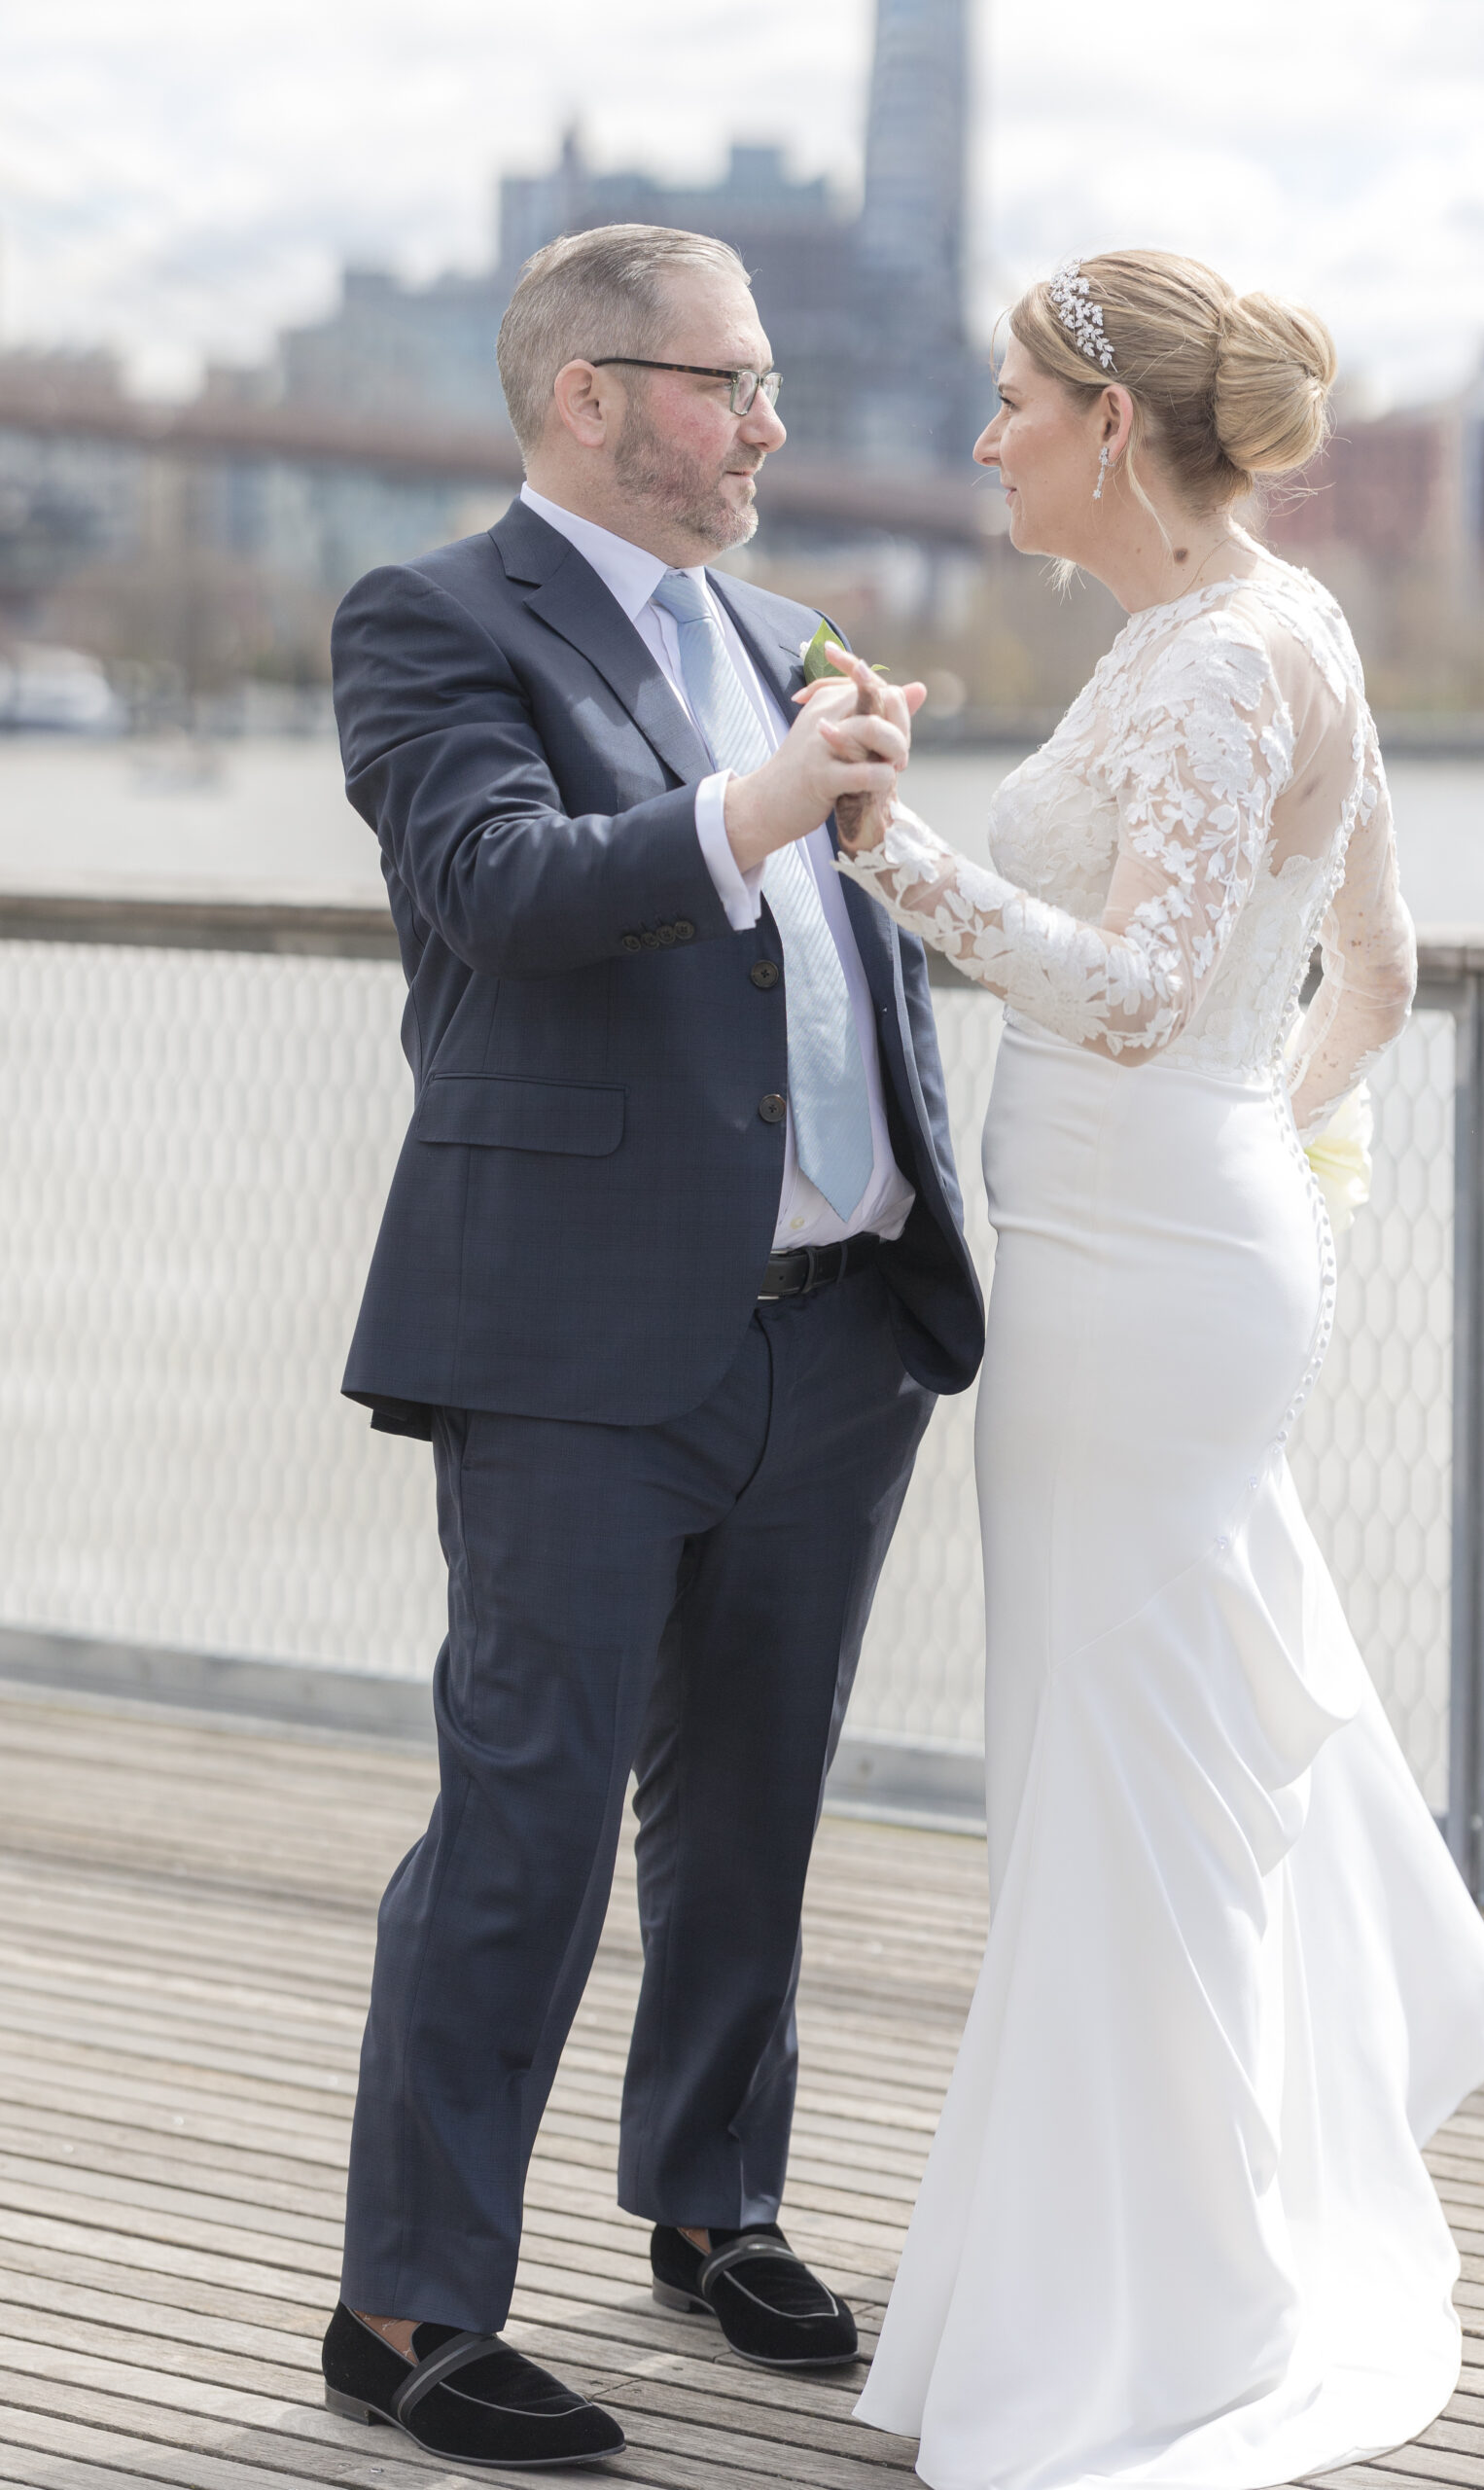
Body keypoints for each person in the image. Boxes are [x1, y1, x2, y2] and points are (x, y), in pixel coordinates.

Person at [828, 250, 1484, 2489]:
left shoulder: (1222, 660)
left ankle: (1168, 2321)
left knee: (1114, 1792)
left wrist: (885, 850)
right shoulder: (1253, 627)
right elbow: (1376, 974)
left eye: (1009, 399)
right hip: (1165, 1262)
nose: (981, 440)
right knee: (1117, 1783)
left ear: (1108, 422)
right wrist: (1276, 1174)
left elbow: (1136, 990)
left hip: (1140, 1290)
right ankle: (1136, 2271)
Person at [316, 222, 983, 2472]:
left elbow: (844, 958)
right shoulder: (426, 622)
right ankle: (409, 2308)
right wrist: (779, 795)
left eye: (769, 380)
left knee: (757, 1811)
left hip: (834, 1333)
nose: (771, 425)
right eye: (727, 383)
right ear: (587, 393)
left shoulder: (784, 633)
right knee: (525, 1823)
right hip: (579, 1347)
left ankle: (713, 2201)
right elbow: (503, 888)